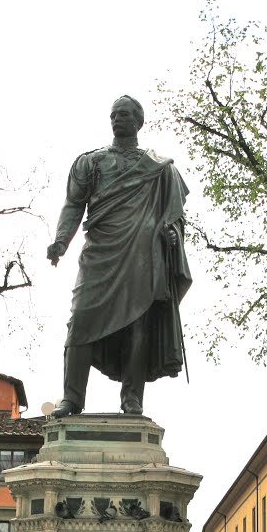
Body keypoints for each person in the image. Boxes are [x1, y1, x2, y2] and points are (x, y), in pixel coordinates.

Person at [47, 95, 192, 417]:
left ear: (138, 121)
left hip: (143, 252)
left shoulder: (160, 167)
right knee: (80, 320)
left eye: (125, 114)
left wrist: (173, 233)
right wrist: (61, 241)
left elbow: (176, 215)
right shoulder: (91, 162)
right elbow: (73, 204)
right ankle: (72, 398)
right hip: (100, 252)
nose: (117, 119)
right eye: (114, 114)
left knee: (137, 326)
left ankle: (132, 400)